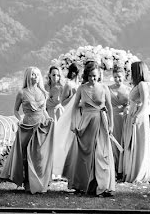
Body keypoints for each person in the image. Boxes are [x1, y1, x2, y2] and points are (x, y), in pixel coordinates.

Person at [61, 61, 116, 197]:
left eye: (95, 75)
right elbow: (74, 106)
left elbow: (109, 107)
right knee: (84, 155)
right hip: (85, 123)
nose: (93, 78)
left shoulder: (104, 88)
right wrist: (74, 123)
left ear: (99, 75)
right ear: (87, 75)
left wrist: (111, 125)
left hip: (100, 123)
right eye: (90, 76)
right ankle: (82, 185)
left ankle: (102, 186)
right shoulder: (81, 88)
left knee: (100, 154)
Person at [0, 66, 55, 193]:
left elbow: (44, 111)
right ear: (28, 76)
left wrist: (49, 119)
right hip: (27, 127)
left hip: (40, 127)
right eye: (33, 74)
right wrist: (19, 120)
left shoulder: (43, 93)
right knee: (25, 156)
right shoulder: (22, 93)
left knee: (39, 156)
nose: (35, 77)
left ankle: (40, 182)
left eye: (37, 74)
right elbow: (15, 110)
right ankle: (28, 183)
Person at [120, 60, 150, 183]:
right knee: (132, 144)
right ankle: (130, 171)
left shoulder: (142, 85)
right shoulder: (137, 85)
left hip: (138, 119)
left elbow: (145, 103)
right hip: (133, 116)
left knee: (138, 145)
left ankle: (138, 173)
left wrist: (136, 117)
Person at [107, 65, 130, 174]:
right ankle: (114, 168)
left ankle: (123, 168)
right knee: (113, 143)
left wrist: (126, 107)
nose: (117, 79)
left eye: (119, 77)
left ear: (124, 76)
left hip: (124, 118)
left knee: (123, 141)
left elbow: (131, 104)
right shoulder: (108, 88)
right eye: (115, 77)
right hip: (112, 117)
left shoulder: (128, 89)